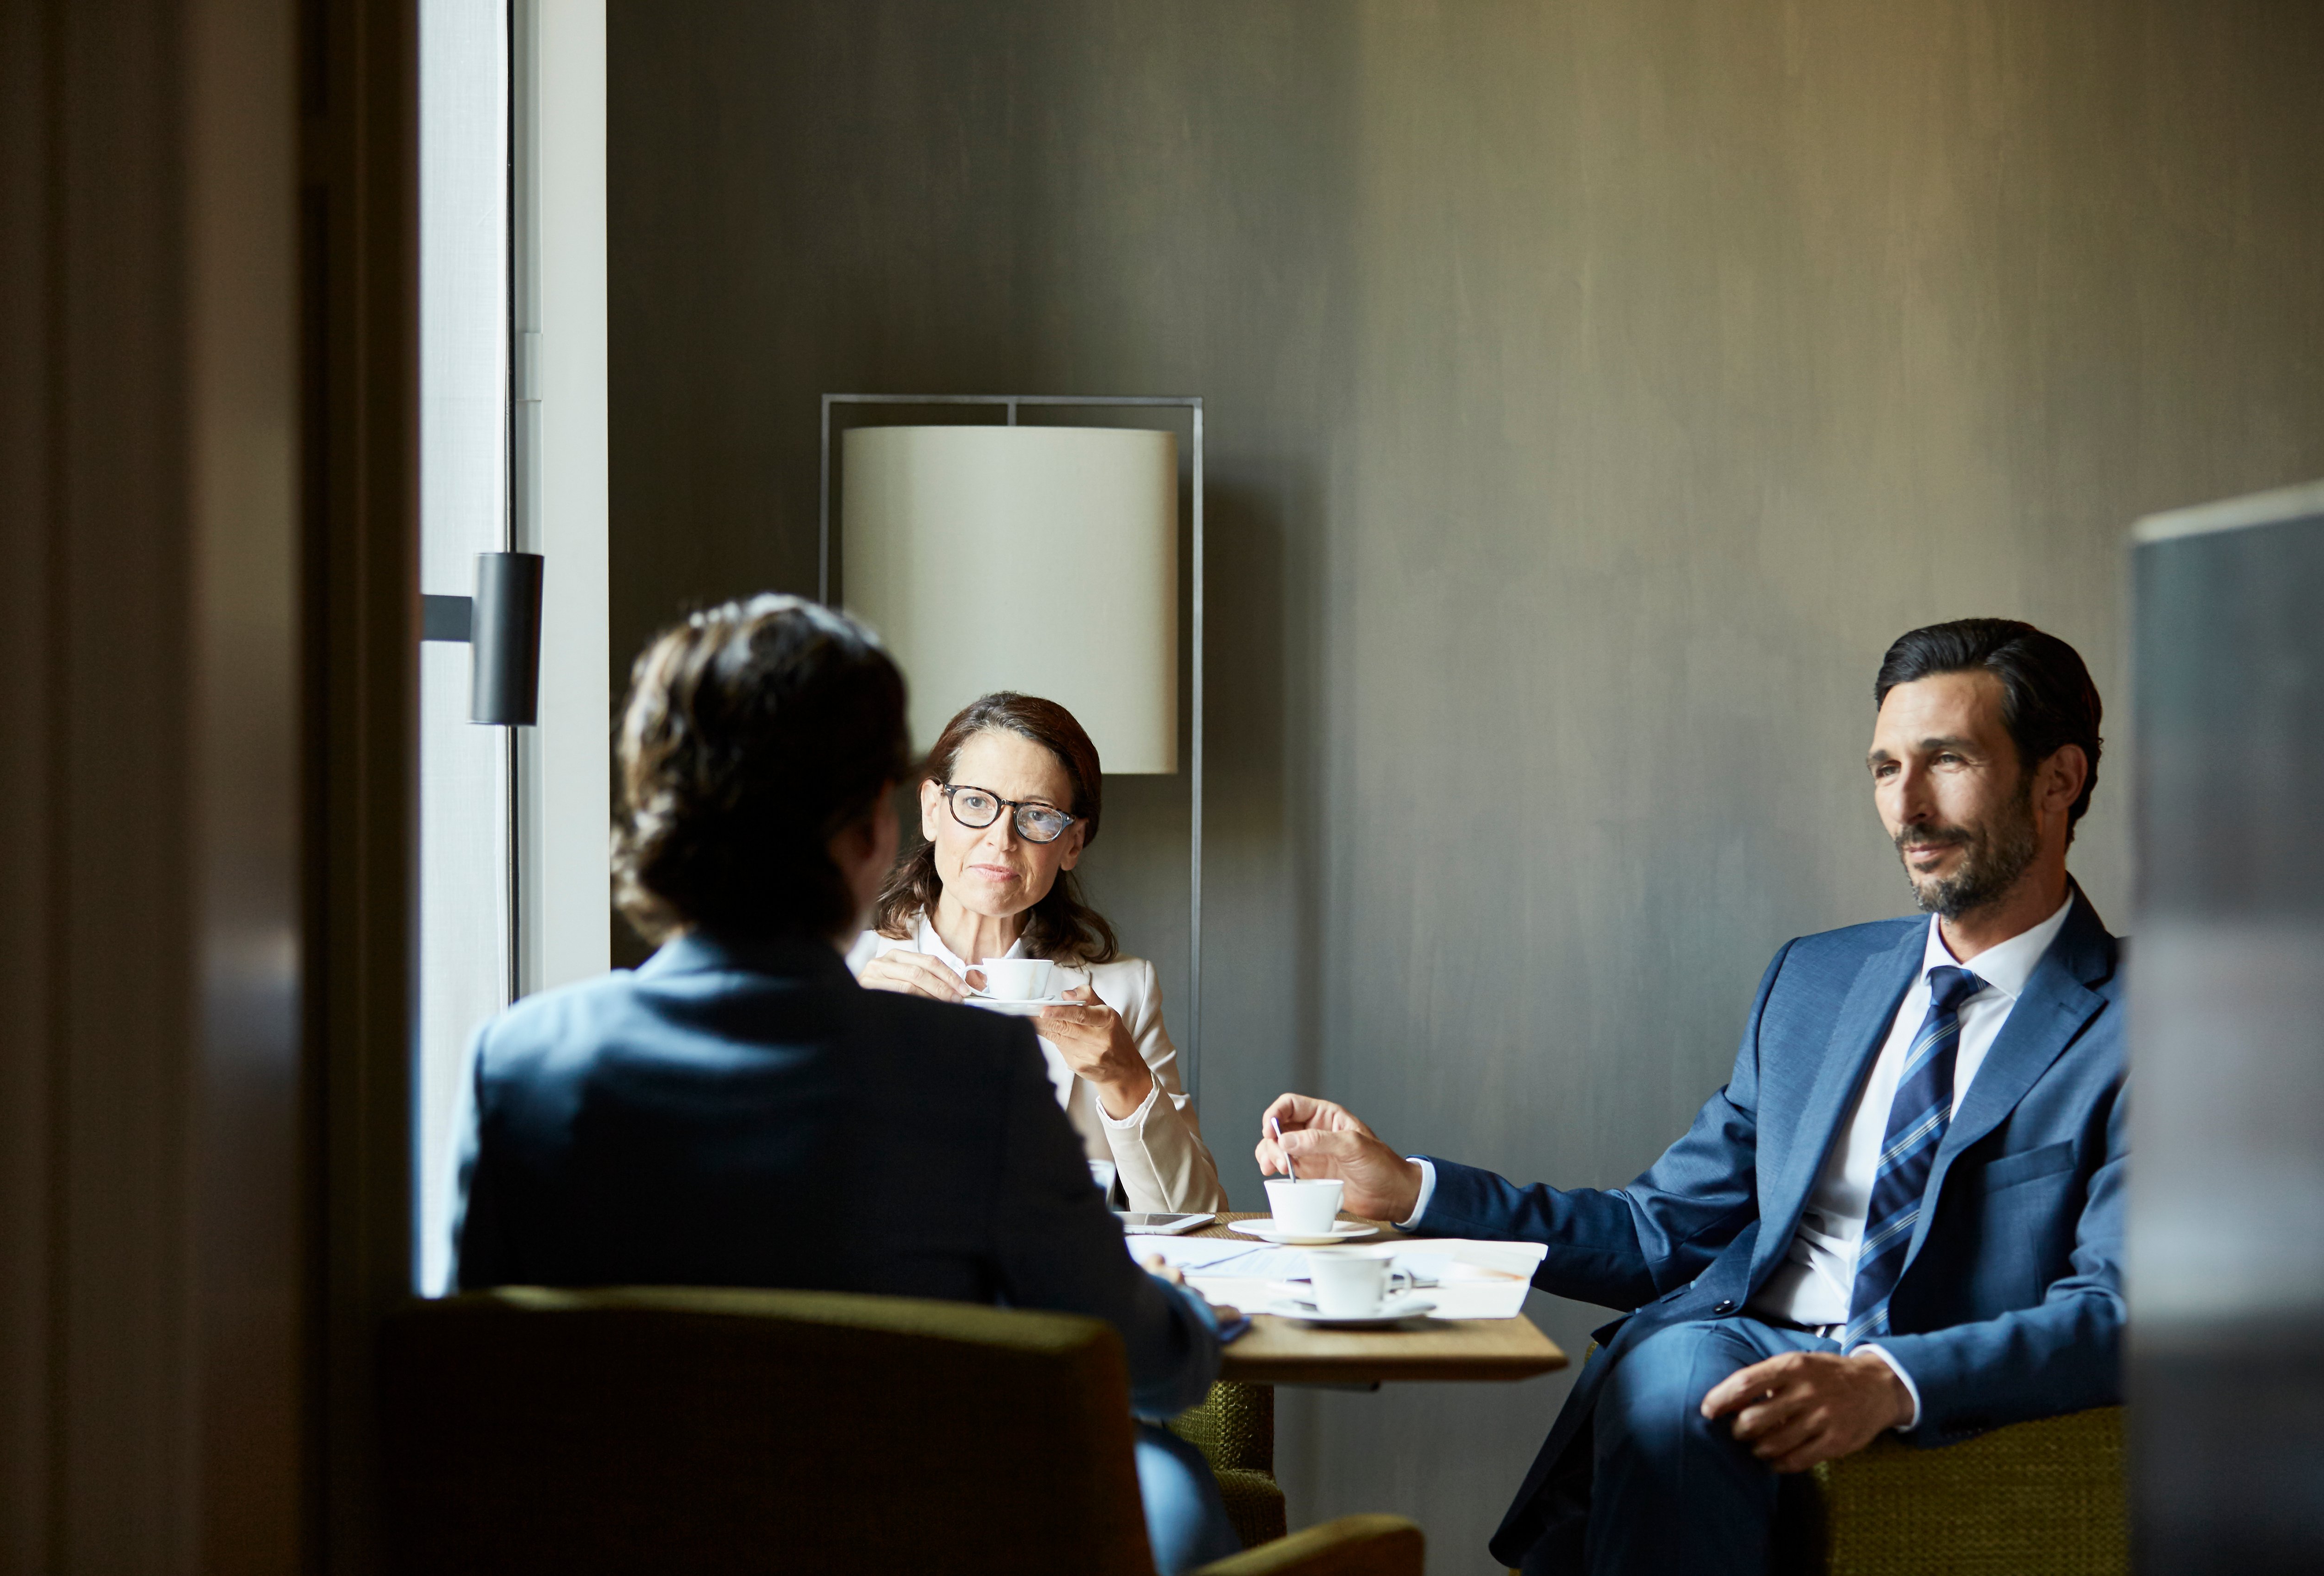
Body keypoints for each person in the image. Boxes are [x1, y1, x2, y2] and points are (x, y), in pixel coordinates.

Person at [1255, 619, 2124, 1576]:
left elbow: (2122, 1305)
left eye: (1947, 760)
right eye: (1885, 768)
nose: (1907, 807)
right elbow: (1656, 1231)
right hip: (1734, 1348)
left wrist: (1885, 1378)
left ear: (2058, 778)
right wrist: (1410, 1188)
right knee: (1678, 1376)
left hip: (1937, 1386)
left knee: (1676, 1398)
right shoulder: (1816, 980)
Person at [448, 595, 1240, 1574]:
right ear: (883, 827)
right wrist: (1187, 1316)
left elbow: (470, 1383)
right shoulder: (977, 1071)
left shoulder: (516, 1063)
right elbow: (1154, 1366)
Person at [848, 693, 1227, 1215]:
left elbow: (1199, 1213)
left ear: (1072, 843)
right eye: (975, 802)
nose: (1002, 839)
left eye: (1037, 815)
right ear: (933, 810)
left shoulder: (1121, 992)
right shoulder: (847, 976)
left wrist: (1127, 1081)